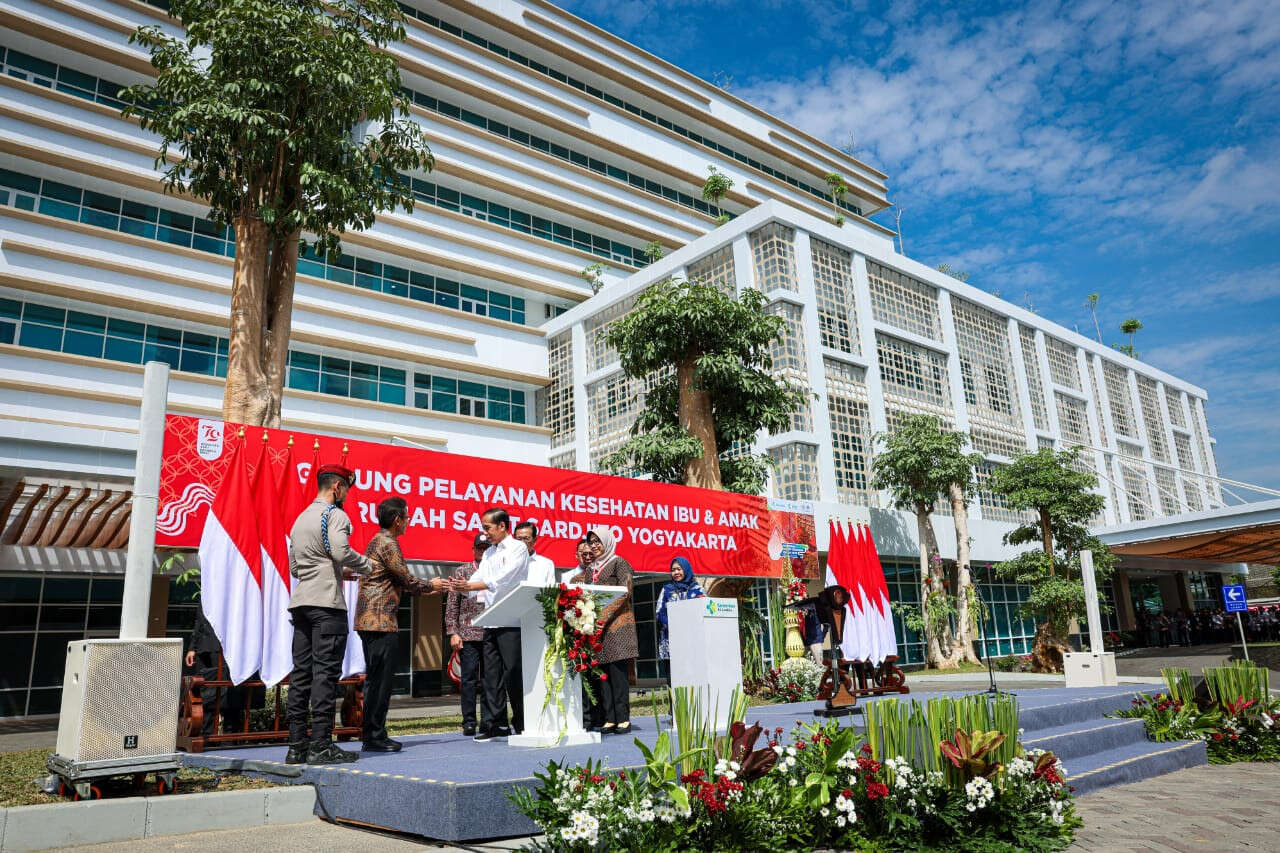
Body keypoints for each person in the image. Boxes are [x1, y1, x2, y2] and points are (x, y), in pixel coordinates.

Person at [284, 464, 373, 765]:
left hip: (302, 603)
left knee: (301, 675)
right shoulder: (335, 515)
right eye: (347, 488)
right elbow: (339, 550)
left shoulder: (300, 518)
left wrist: (334, 570)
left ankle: (296, 746)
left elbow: (296, 567)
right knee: (325, 674)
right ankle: (321, 745)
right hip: (327, 606)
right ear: (337, 487)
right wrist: (366, 566)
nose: (347, 494)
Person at [355, 497, 445, 752]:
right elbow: (405, 578)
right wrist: (432, 586)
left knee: (376, 680)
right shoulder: (388, 543)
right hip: (379, 621)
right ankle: (374, 735)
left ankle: (373, 733)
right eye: (406, 518)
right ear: (397, 520)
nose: (408, 522)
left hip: (373, 620)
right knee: (380, 682)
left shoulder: (378, 540)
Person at [447, 508, 530, 741]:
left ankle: (522, 722)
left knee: (513, 673)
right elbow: (477, 580)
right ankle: (494, 724)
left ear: (502, 526)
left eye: (488, 527)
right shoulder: (490, 553)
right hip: (492, 620)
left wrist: (471, 587)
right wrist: (461, 586)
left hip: (512, 620)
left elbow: (504, 578)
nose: (485, 533)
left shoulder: (518, 548)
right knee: (491, 676)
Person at [583, 527, 637, 735]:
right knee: (602, 673)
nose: (594, 545)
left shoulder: (619, 562)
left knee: (617, 673)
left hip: (617, 626)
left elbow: (626, 591)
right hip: (597, 630)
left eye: (598, 541)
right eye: (591, 541)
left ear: (607, 541)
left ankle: (623, 718)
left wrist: (603, 616)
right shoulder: (590, 570)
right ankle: (610, 718)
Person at [446, 533, 491, 736]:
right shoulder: (462, 571)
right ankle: (469, 721)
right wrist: (453, 632)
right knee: (469, 680)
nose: (482, 551)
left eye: (486, 548)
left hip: (492, 632)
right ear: (473, 550)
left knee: (491, 680)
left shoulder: (497, 571)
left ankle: (489, 719)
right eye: (479, 548)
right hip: (468, 633)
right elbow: (452, 605)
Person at [185, 609, 245, 737]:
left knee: (231, 693)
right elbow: (199, 619)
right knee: (207, 694)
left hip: (230, 646)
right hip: (205, 648)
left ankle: (230, 737)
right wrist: (192, 648)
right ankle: (206, 735)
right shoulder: (207, 591)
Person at [655, 557, 705, 662]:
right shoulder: (666, 590)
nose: (676, 572)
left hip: (693, 640)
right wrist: (674, 626)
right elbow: (659, 612)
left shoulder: (698, 590)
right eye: (673, 570)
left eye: (679, 569)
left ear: (686, 569)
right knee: (673, 675)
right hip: (671, 639)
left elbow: (704, 612)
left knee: (694, 673)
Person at [514, 521, 557, 587]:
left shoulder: (546, 564)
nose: (522, 543)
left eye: (526, 538)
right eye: (519, 539)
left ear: (535, 540)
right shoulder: (506, 561)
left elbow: (550, 591)